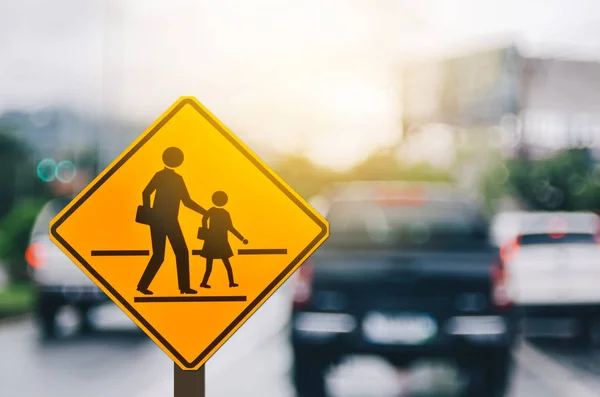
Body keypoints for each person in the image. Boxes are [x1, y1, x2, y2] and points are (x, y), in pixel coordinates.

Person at [136, 147, 206, 295]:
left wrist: (204, 212)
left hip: (164, 220)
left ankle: (183, 287)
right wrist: (150, 213)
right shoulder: (167, 177)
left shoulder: (170, 177)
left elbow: (186, 201)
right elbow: (146, 192)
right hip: (163, 220)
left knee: (172, 253)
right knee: (169, 254)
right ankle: (145, 286)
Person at [199, 191, 247, 288]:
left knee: (222, 265)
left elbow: (230, 227)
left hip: (217, 242)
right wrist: (206, 230)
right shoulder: (220, 212)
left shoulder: (218, 212)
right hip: (216, 241)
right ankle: (204, 283)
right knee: (215, 265)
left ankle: (231, 283)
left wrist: (241, 238)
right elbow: (230, 227)